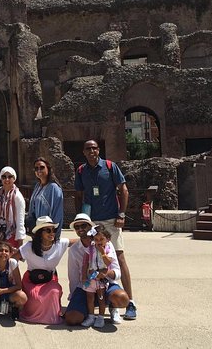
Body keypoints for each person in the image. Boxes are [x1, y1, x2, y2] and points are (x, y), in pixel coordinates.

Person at [74, 139, 136, 320]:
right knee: (91, 258)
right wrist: (82, 219)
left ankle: (130, 302)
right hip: (92, 221)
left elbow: (123, 190)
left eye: (94, 148)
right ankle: (93, 298)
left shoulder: (110, 166)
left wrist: (122, 214)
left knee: (119, 257)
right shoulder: (81, 171)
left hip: (110, 220)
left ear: (98, 149)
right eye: (88, 149)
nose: (91, 151)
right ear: (84, 152)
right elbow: (78, 195)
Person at [65, 213, 130, 326]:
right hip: (87, 285)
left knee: (122, 298)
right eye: (77, 227)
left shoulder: (107, 244)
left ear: (90, 227)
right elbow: (73, 275)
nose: (80, 229)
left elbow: (117, 272)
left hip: (106, 284)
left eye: (83, 226)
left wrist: (105, 273)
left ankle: (113, 307)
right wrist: (73, 297)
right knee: (72, 319)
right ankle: (88, 312)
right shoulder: (74, 250)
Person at [17, 216, 74, 324]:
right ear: (39, 233)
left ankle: (51, 317)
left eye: (54, 230)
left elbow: (80, 241)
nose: (52, 233)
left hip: (49, 279)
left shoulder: (60, 244)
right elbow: (13, 259)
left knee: (55, 291)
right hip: (31, 280)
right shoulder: (29, 247)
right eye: (48, 230)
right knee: (35, 299)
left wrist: (95, 238)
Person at [80, 226, 115, 328]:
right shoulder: (90, 248)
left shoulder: (108, 249)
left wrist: (103, 253)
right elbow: (85, 263)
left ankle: (101, 317)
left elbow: (108, 263)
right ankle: (91, 316)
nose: (99, 242)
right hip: (91, 278)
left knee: (101, 298)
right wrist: (83, 276)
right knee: (89, 298)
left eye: (101, 239)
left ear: (107, 239)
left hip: (101, 279)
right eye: (96, 239)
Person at [26, 157, 64, 237]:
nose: (39, 170)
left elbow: (57, 213)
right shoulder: (37, 186)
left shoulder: (54, 188)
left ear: (48, 169)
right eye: (36, 168)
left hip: (48, 231)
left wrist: (53, 233)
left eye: (42, 167)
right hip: (37, 229)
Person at [0, 166, 25, 248]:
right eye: (4, 177)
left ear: (14, 179)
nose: (6, 179)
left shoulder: (17, 196)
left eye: (10, 177)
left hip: (11, 234)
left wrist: (20, 240)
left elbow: (20, 219)